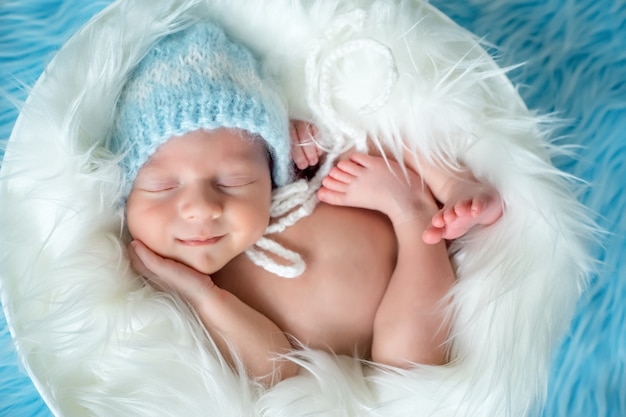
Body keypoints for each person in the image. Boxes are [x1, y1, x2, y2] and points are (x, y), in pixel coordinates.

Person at [111, 21, 502, 386]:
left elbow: (379, 125)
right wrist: (203, 295)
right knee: (411, 367)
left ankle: (450, 183)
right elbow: (276, 371)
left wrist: (308, 139)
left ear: (268, 170)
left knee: (366, 137)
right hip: (392, 325)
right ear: (126, 193)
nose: (200, 208)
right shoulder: (166, 286)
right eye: (163, 187)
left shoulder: (296, 173)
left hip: (363, 198)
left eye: (234, 180)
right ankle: (414, 213)